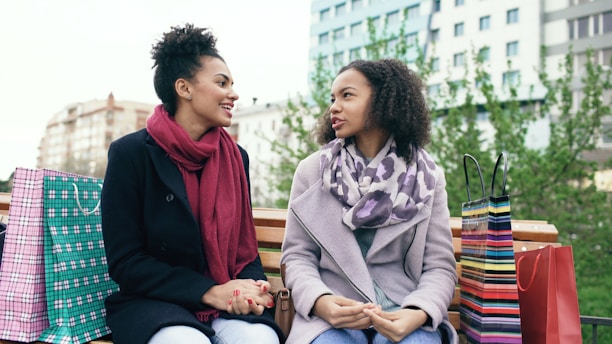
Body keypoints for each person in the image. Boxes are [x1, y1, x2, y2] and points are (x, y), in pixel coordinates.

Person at [101, 24, 282, 344]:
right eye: (221, 83)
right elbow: (126, 262)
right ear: (184, 88)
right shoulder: (131, 154)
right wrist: (209, 291)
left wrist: (250, 290)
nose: (234, 93)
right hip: (155, 302)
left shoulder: (236, 158)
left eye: (232, 84)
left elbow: (246, 251)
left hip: (226, 306)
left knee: (259, 340)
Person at [280, 58, 459, 344]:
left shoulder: (426, 176)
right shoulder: (313, 171)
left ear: (384, 101)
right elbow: (297, 257)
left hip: (403, 311)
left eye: (347, 95)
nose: (333, 107)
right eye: (332, 98)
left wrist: (417, 311)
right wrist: (321, 301)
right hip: (333, 316)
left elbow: (439, 266)